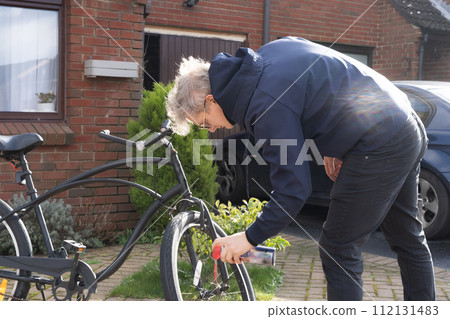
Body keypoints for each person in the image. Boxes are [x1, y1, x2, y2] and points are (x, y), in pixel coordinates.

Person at [165, 37, 435, 301]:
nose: (210, 129)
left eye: (202, 122)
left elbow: (293, 189)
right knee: (407, 236)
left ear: (211, 100)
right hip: (405, 122)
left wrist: (249, 238)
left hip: (380, 141)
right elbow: (320, 87)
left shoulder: (264, 105)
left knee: (339, 246)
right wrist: (334, 144)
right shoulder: (270, 53)